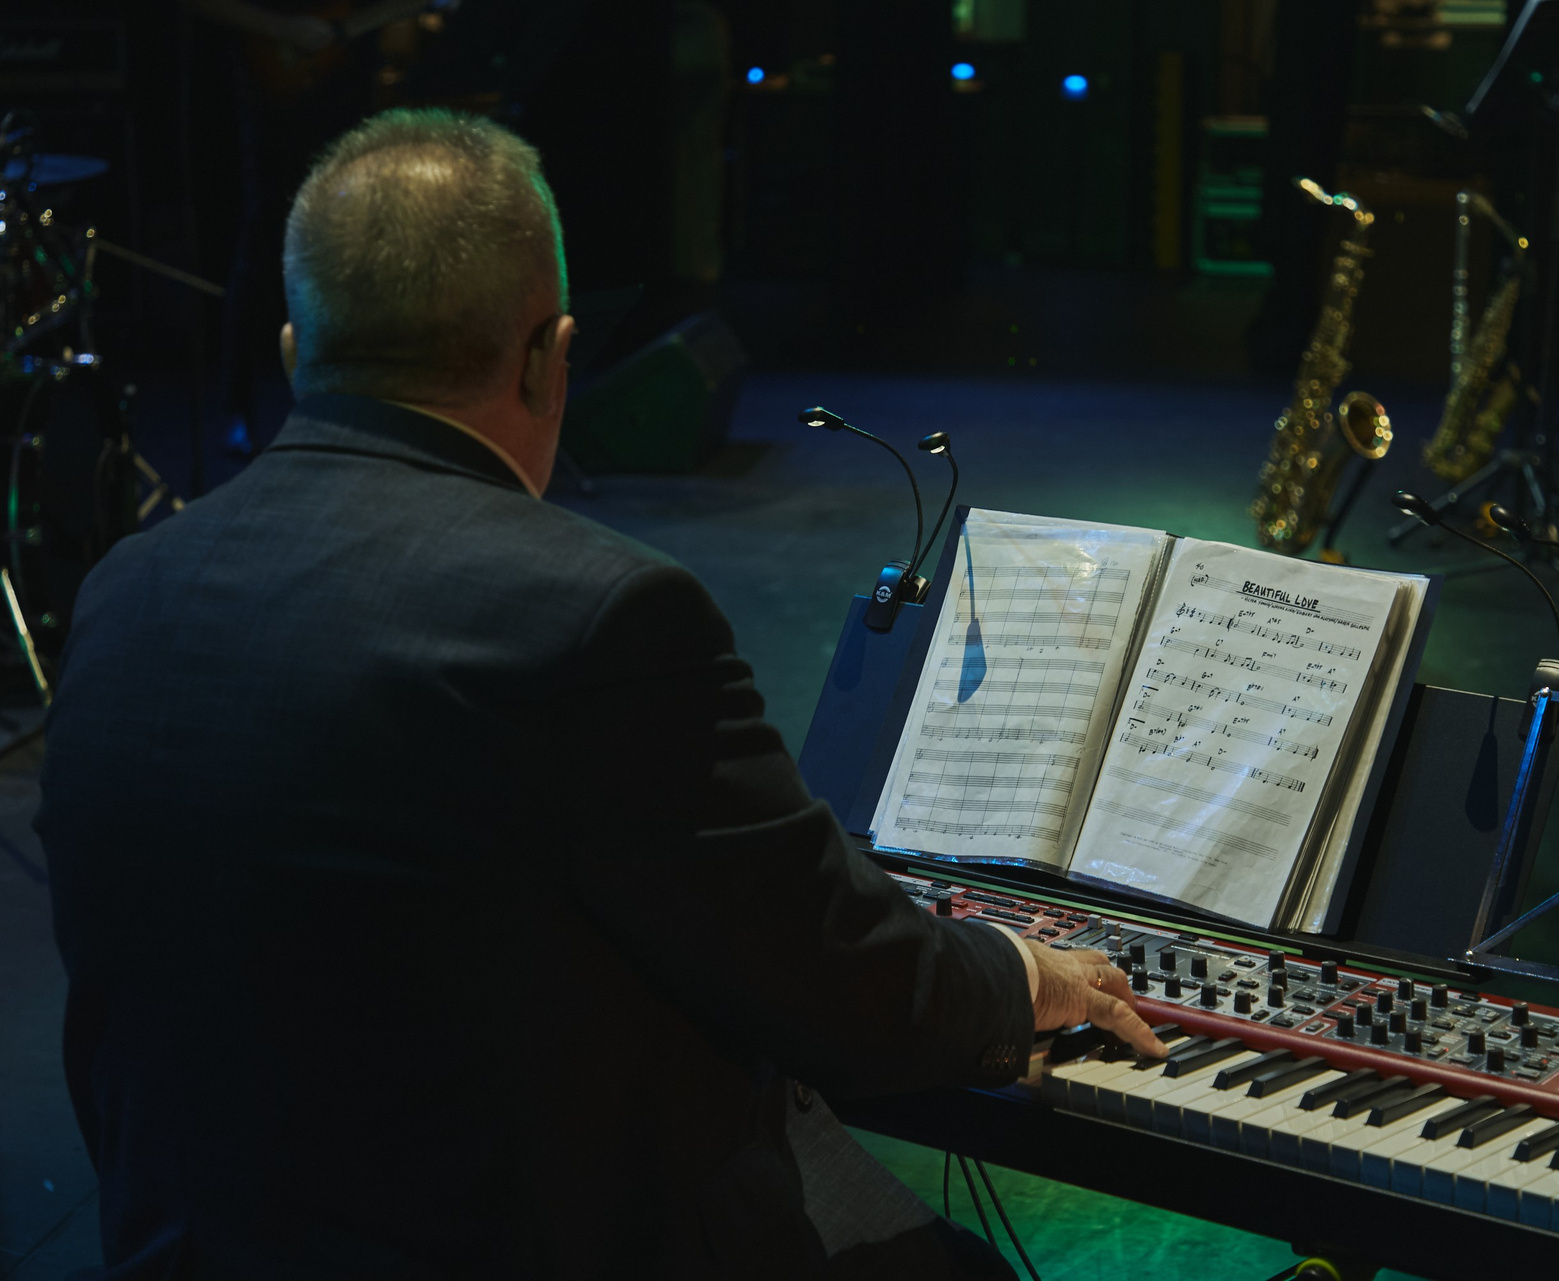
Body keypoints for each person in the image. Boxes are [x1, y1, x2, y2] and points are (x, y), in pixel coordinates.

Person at [37, 109, 1165, 1280]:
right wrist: (1020, 974)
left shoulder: (125, 592)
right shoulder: (594, 615)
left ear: (292, 352)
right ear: (550, 358)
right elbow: (837, 980)